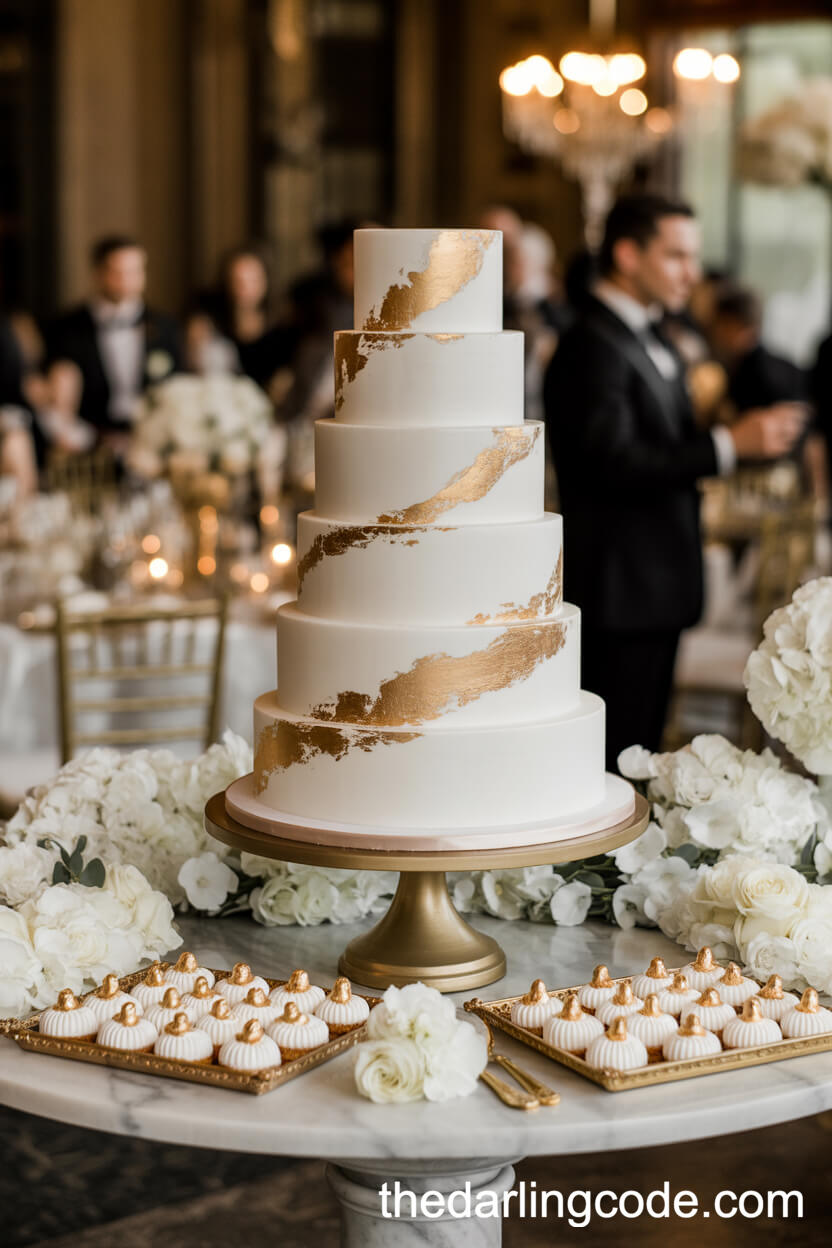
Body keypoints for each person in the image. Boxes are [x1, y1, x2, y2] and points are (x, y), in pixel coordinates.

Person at [544, 193, 804, 768]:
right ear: (628, 255)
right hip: (620, 586)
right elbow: (613, 462)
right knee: (613, 760)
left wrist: (746, 441)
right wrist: (727, 446)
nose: (693, 273)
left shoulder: (650, 336)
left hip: (653, 584)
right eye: (676, 256)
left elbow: (664, 444)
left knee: (640, 748)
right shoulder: (591, 343)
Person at [46, 235, 182, 447]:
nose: (126, 280)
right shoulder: (67, 328)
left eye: (134, 271)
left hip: (152, 439)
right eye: (117, 272)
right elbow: (56, 394)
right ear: (98, 274)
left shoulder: (165, 327)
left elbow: (177, 385)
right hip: (89, 441)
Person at [186, 244, 295, 391]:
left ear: (265, 281)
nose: (244, 288)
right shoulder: (209, 324)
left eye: (252, 280)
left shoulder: (283, 330)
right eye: (237, 280)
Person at [708, 283, 808, 414]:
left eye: (725, 325)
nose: (717, 332)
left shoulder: (759, 378)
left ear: (746, 329)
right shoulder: (744, 365)